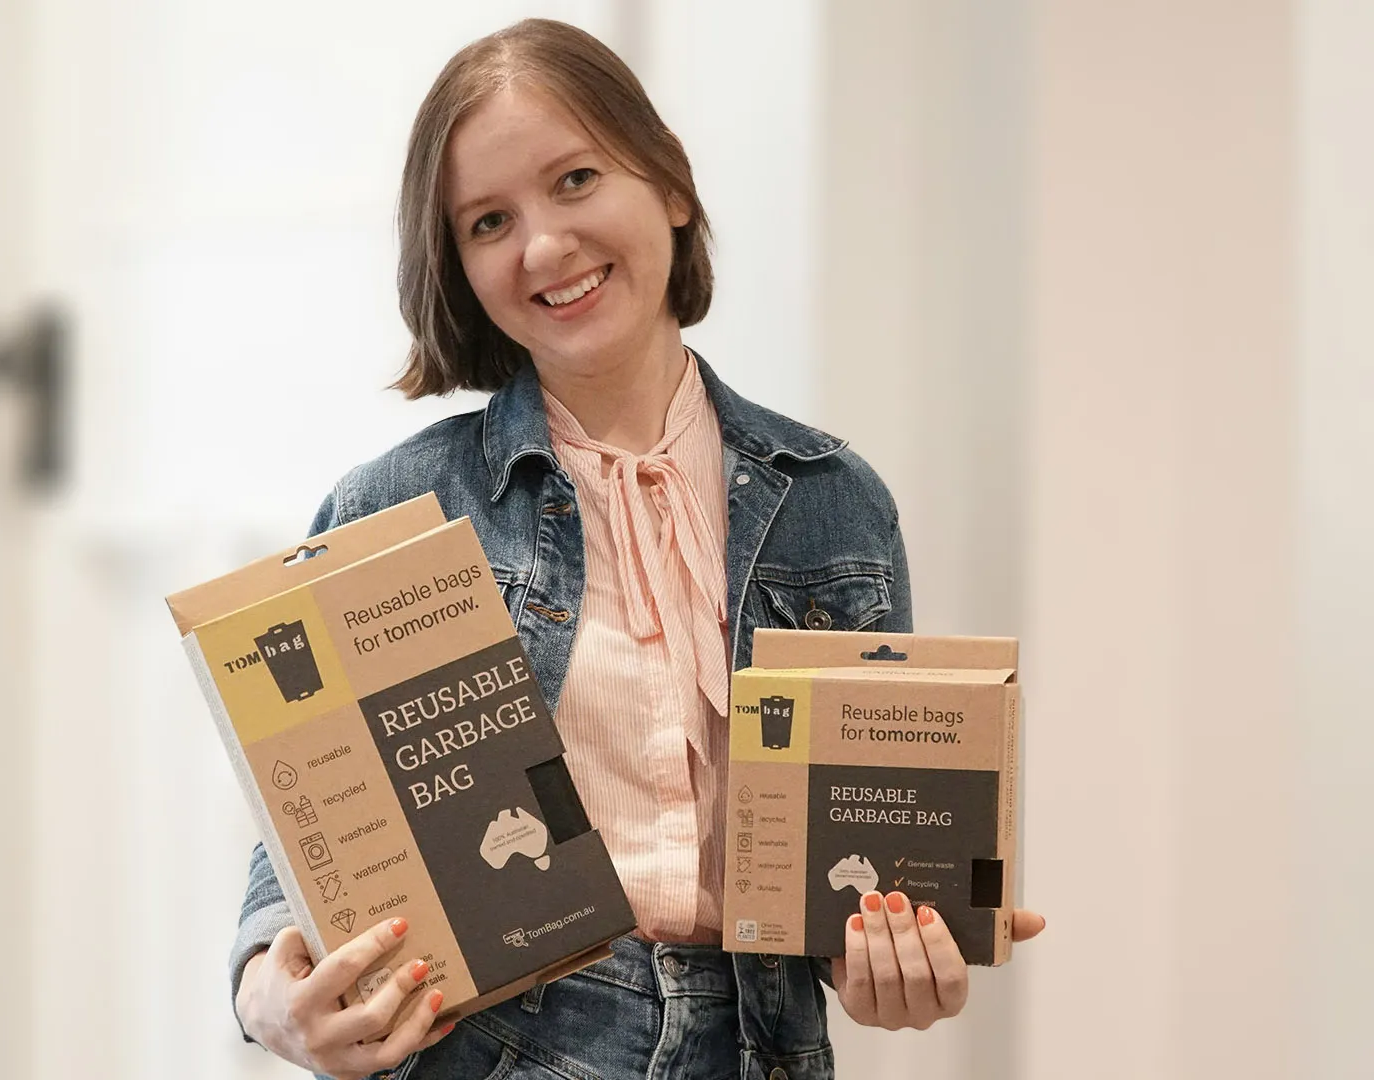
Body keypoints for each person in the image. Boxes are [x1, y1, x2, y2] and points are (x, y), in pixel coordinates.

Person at [229, 18, 1045, 1080]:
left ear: (667, 183)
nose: (544, 247)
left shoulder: (836, 504)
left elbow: (854, 880)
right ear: (457, 265)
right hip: (494, 1049)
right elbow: (297, 847)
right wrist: (271, 1002)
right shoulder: (399, 506)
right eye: (487, 221)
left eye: (574, 179)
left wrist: (899, 958)